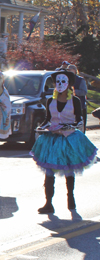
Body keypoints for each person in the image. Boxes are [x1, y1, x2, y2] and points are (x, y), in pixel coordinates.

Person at [31, 69, 97, 213]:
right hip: (52, 139)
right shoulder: (50, 101)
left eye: (63, 81)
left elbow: (79, 119)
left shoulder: (75, 101)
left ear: (68, 84)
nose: (60, 84)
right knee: (49, 171)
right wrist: (41, 128)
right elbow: (48, 119)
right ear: (54, 84)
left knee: (69, 170)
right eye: (57, 82)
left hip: (69, 139)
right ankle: (48, 203)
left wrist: (70, 126)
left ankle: (70, 198)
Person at [67, 64, 88, 132]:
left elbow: (84, 92)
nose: (69, 71)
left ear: (75, 71)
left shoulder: (80, 80)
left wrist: (73, 91)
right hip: (68, 107)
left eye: (70, 69)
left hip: (80, 106)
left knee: (81, 126)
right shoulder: (65, 79)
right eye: (68, 70)